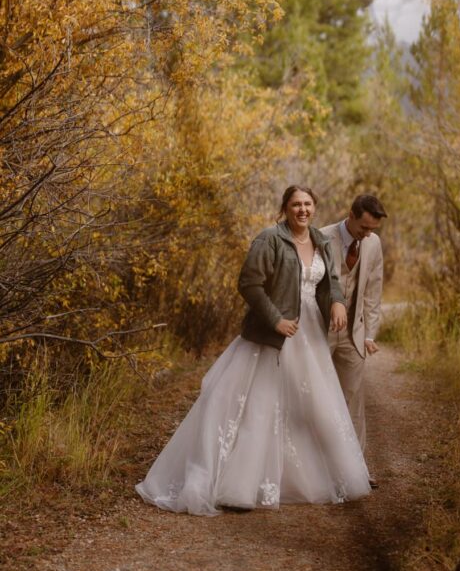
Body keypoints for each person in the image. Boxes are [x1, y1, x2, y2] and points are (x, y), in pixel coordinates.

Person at [135, 185, 371, 515]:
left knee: (311, 405)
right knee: (258, 402)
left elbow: (330, 279)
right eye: (295, 204)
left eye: (307, 204)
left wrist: (336, 302)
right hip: (271, 334)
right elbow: (248, 283)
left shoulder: (320, 240)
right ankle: (239, 485)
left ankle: (302, 478)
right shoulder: (269, 239)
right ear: (285, 208)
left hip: (311, 335)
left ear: (314, 208)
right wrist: (275, 320)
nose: (302, 210)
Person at [322, 194, 387, 477]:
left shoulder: (373, 244)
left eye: (372, 229)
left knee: (352, 399)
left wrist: (370, 333)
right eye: (364, 227)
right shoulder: (322, 237)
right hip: (320, 329)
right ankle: (318, 468)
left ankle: (356, 469)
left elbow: (374, 290)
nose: (368, 233)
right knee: (315, 396)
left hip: (353, 334)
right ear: (351, 215)